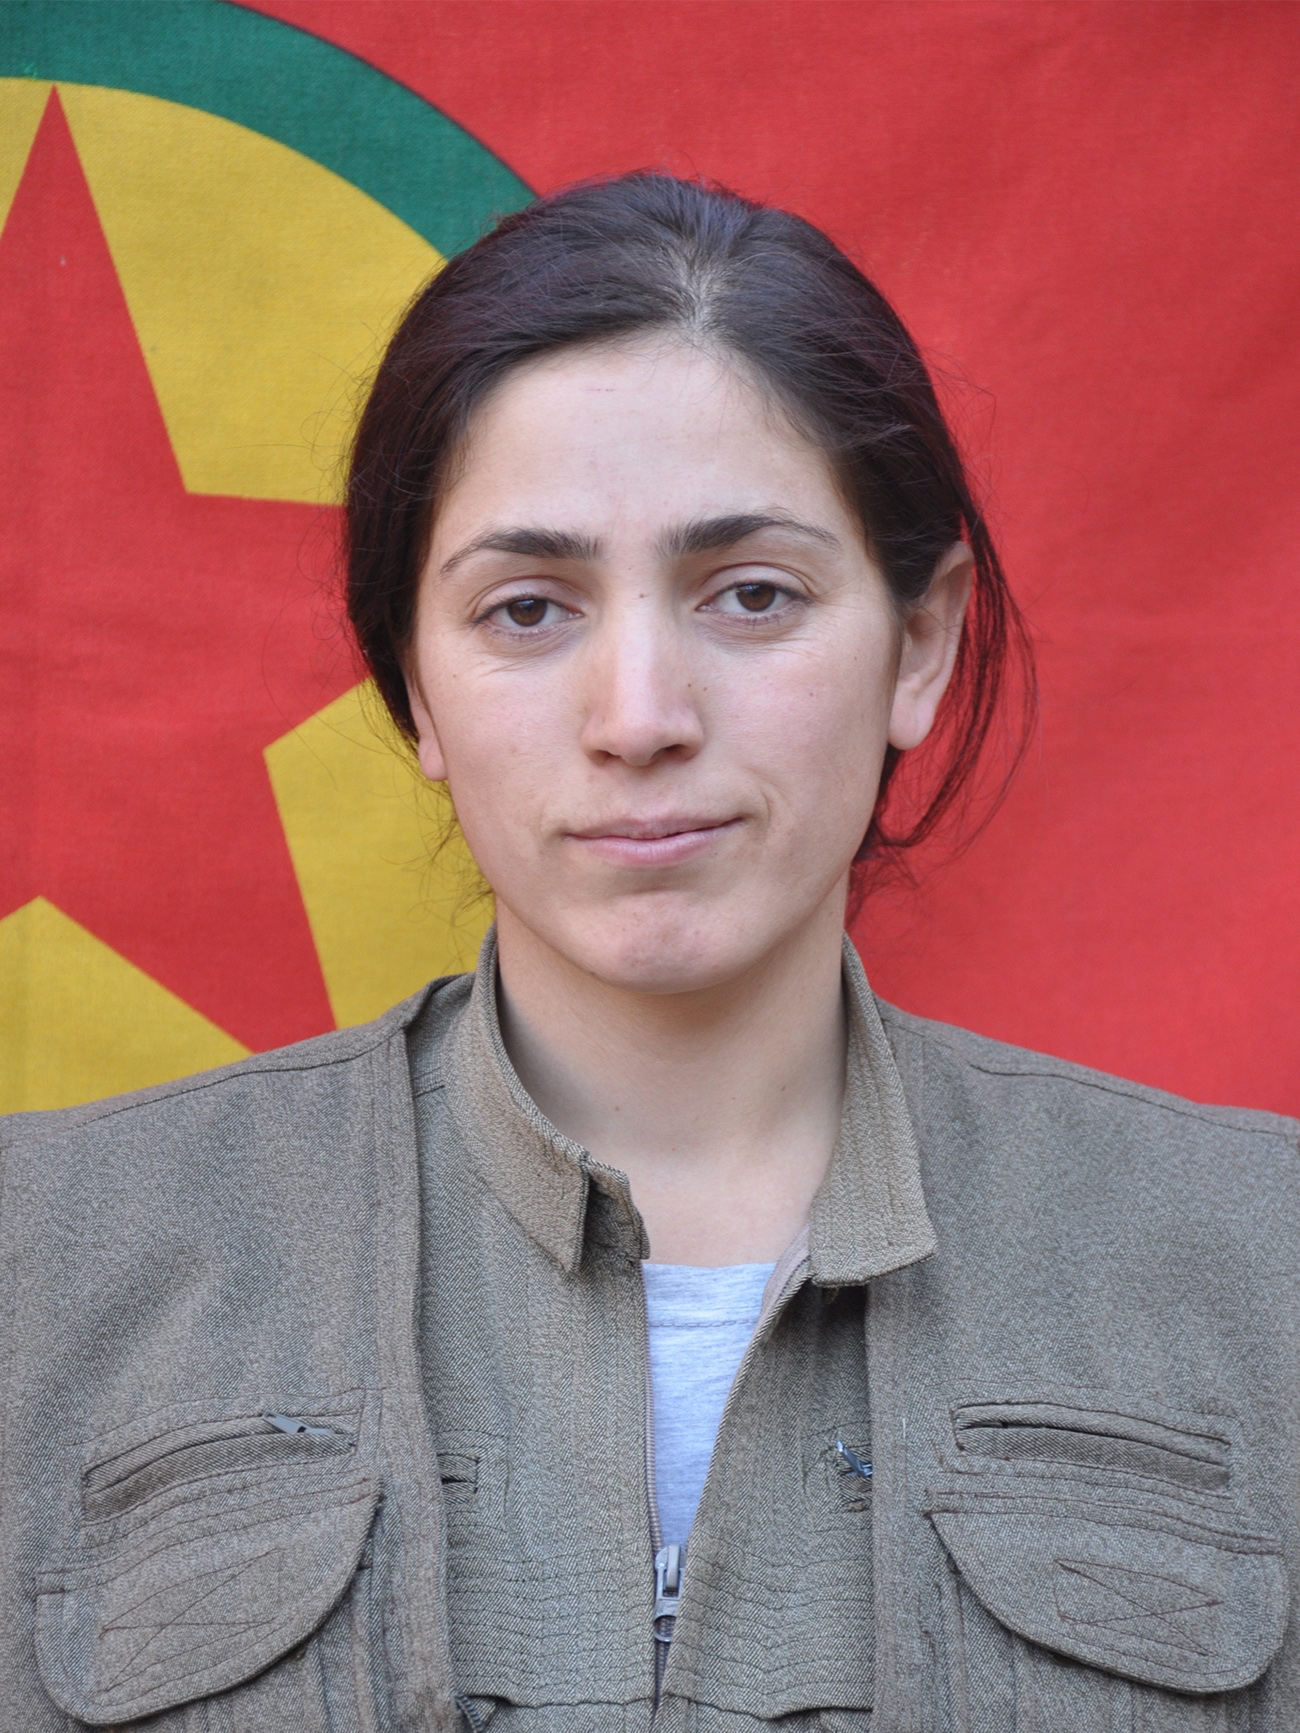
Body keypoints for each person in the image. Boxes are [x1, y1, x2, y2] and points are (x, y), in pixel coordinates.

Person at [1, 173, 1296, 1733]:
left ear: (922, 642)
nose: (639, 716)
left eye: (751, 595)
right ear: (412, 682)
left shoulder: (1261, 1266)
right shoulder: (46, 1266)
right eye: (527, 609)